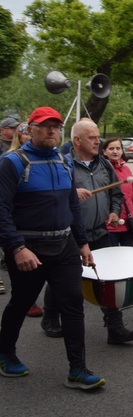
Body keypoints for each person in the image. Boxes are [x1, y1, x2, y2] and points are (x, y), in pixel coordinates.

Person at [0, 106, 105, 390]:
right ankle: (5, 353)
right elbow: (2, 210)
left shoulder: (63, 161)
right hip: (29, 249)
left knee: (73, 307)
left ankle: (78, 370)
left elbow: (72, 205)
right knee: (21, 303)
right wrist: (17, 247)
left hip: (64, 246)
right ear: (30, 129)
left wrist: (82, 242)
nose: (51, 131)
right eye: (44, 126)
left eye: (56, 126)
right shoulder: (12, 162)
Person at [42, 120, 133, 345]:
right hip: (71, 233)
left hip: (99, 231)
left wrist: (114, 213)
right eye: (92, 138)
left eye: (98, 137)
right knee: (63, 278)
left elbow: (116, 194)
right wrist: (72, 193)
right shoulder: (62, 164)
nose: (98, 141)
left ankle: (115, 328)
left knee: (107, 278)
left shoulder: (104, 165)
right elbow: (51, 197)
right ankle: (49, 318)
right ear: (77, 140)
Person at [5, 122, 44, 318]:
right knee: (21, 279)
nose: (29, 138)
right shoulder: (10, 160)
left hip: (38, 228)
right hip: (15, 225)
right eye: (26, 135)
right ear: (20, 137)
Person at [102, 137, 133, 247]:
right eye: (111, 148)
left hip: (128, 224)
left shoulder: (126, 169)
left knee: (131, 258)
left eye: (118, 148)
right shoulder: (101, 170)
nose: (115, 151)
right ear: (104, 151)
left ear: (122, 150)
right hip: (109, 226)